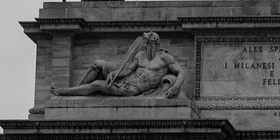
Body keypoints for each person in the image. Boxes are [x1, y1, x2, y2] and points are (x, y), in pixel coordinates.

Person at [52, 32, 186, 98]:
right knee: (98, 67)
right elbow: (128, 69)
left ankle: (65, 92)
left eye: (147, 43)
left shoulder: (165, 58)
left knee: (97, 84)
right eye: (145, 43)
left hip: (132, 89)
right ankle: (74, 90)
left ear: (155, 44)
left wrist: (175, 87)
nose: (145, 46)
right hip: (125, 80)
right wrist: (114, 74)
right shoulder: (140, 55)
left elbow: (181, 72)